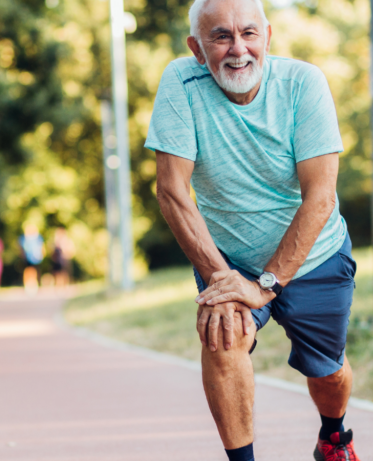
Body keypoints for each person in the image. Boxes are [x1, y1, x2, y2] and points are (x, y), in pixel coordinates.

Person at [146, 0, 359, 460]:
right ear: (197, 50)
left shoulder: (304, 83)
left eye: (248, 33)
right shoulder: (181, 83)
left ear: (267, 36)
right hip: (229, 257)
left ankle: (334, 435)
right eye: (220, 37)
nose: (237, 49)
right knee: (223, 337)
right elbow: (171, 192)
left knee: (327, 373)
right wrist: (223, 278)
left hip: (315, 256)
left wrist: (268, 283)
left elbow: (320, 197)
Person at [18, 224, 45, 294]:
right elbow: (21, 248)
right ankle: (27, 285)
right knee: (27, 271)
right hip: (27, 258)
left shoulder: (38, 237)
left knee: (35, 271)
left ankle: (35, 284)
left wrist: (42, 254)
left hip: (36, 258)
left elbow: (41, 246)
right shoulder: (24, 238)